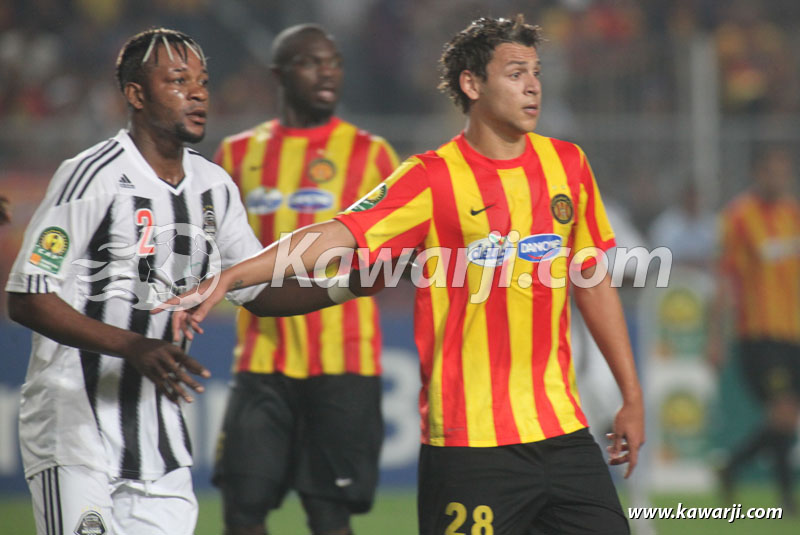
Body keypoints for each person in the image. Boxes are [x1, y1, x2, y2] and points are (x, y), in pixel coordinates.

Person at [164, 15, 644, 534]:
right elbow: (334, 236)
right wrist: (234, 275)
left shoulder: (567, 165)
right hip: (470, 446)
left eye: (536, 72)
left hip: (564, 435)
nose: (532, 86)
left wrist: (631, 397)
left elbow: (593, 282)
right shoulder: (430, 177)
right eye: (515, 73)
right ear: (472, 84)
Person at [4, 29, 270, 535]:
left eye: (203, 81)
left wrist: (353, 282)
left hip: (160, 442)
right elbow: (28, 297)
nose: (198, 93)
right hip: (76, 428)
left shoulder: (215, 186)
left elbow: (259, 287)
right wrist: (133, 345)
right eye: (178, 80)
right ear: (136, 94)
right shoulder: (92, 174)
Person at [211, 24, 399, 535]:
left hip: (344, 365)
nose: (328, 72)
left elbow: (391, 255)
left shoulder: (373, 154)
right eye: (312, 62)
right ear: (278, 73)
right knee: (242, 509)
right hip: (262, 364)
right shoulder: (235, 155)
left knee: (328, 514)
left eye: (334, 62)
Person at [709, 145, 800, 512]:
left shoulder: (794, 215)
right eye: (772, 170)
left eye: (784, 170)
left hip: (793, 332)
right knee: (782, 411)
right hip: (758, 334)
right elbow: (725, 280)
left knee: (785, 416)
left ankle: (731, 469)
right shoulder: (739, 218)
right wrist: (716, 336)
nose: (779, 177)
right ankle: (785, 498)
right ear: (757, 173)